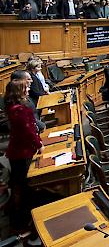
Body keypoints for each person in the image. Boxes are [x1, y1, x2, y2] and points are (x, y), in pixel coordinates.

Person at [4, 79, 44, 231]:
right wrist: (39, 144)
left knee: (20, 185)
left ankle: (21, 219)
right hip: (22, 152)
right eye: (25, 88)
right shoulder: (20, 110)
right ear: (19, 92)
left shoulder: (14, 108)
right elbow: (28, 131)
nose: (28, 90)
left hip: (18, 151)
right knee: (25, 185)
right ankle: (25, 222)